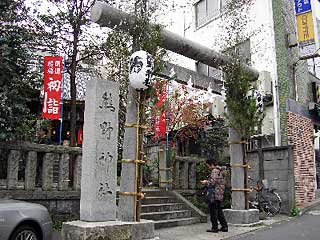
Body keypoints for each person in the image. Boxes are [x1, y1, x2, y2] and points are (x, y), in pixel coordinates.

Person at [201, 158, 228, 233]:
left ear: (212, 164)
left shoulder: (214, 171)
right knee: (219, 211)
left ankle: (214, 228)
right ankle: (224, 226)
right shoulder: (221, 171)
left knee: (213, 212)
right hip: (220, 194)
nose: (208, 167)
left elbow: (212, 183)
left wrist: (205, 182)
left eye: (208, 166)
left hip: (214, 194)